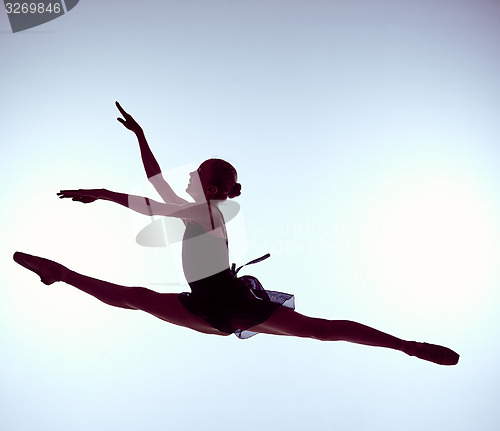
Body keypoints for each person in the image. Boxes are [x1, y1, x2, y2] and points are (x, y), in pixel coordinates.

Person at [13, 101, 459, 365]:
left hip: (228, 300)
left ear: (217, 188)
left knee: (320, 331)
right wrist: (139, 138)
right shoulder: (195, 207)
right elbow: (157, 189)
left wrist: (103, 189)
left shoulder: (206, 212)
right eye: (201, 172)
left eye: (207, 175)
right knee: (132, 298)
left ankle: (406, 345)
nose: (196, 178)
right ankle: (59, 274)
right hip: (203, 305)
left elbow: (153, 194)